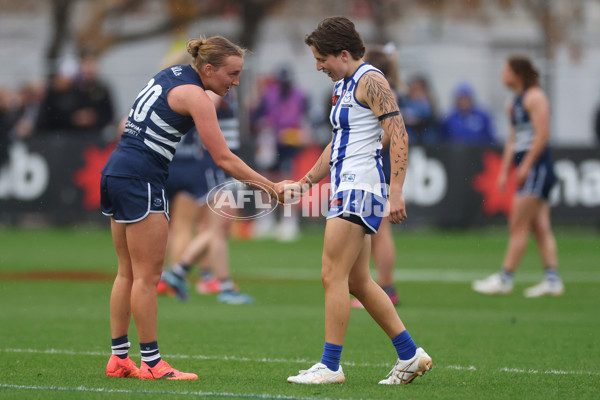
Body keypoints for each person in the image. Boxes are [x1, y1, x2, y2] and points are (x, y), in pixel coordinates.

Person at [100, 36, 285, 380]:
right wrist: (271, 187)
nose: (236, 81)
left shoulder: (172, 74)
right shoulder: (196, 96)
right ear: (209, 69)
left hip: (116, 170)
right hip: (140, 178)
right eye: (232, 74)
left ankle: (119, 358)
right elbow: (224, 157)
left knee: (126, 271)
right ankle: (153, 365)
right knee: (147, 277)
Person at [285, 17, 432, 385]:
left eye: (322, 58)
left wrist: (396, 190)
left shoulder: (371, 79)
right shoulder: (345, 86)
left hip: (359, 187)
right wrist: (305, 182)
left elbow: (398, 134)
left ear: (344, 53)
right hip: (348, 186)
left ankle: (330, 365)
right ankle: (410, 354)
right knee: (358, 281)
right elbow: (338, 142)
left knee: (331, 274)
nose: (318, 66)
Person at [472, 56, 563, 298]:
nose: (502, 75)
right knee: (540, 226)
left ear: (518, 74)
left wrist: (526, 168)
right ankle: (552, 280)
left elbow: (542, 135)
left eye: (506, 70)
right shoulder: (513, 102)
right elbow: (513, 140)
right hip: (528, 168)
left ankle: (505, 278)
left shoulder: (535, 97)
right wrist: (505, 171)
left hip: (537, 168)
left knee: (518, 223)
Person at [159, 90, 254, 304]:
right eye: (232, 72)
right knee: (218, 227)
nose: (236, 80)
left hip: (220, 163)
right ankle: (221, 285)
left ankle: (179, 273)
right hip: (218, 164)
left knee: (215, 227)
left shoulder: (220, 89)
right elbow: (201, 107)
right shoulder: (212, 91)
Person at [350, 44, 401, 308]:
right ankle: (383, 287)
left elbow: (393, 132)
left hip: (377, 164)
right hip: (378, 164)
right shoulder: (379, 86)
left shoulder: (379, 86)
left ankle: (385, 288)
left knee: (379, 231)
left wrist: (368, 146)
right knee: (376, 230)